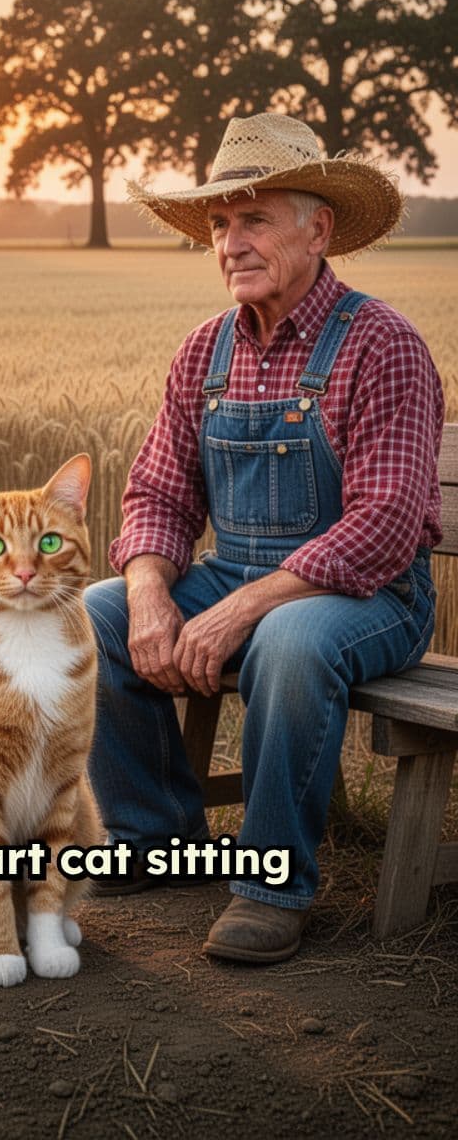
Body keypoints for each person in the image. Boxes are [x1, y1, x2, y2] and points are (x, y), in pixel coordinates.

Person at [84, 112, 443, 963]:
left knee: (288, 636)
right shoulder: (203, 351)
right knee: (90, 613)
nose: (231, 244)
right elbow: (158, 495)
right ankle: (154, 836)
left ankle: (271, 884)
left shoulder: (381, 343)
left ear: (318, 231)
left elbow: (385, 525)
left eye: (254, 219)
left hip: (371, 596)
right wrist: (147, 593)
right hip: (240, 577)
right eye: (218, 224)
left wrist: (243, 607)